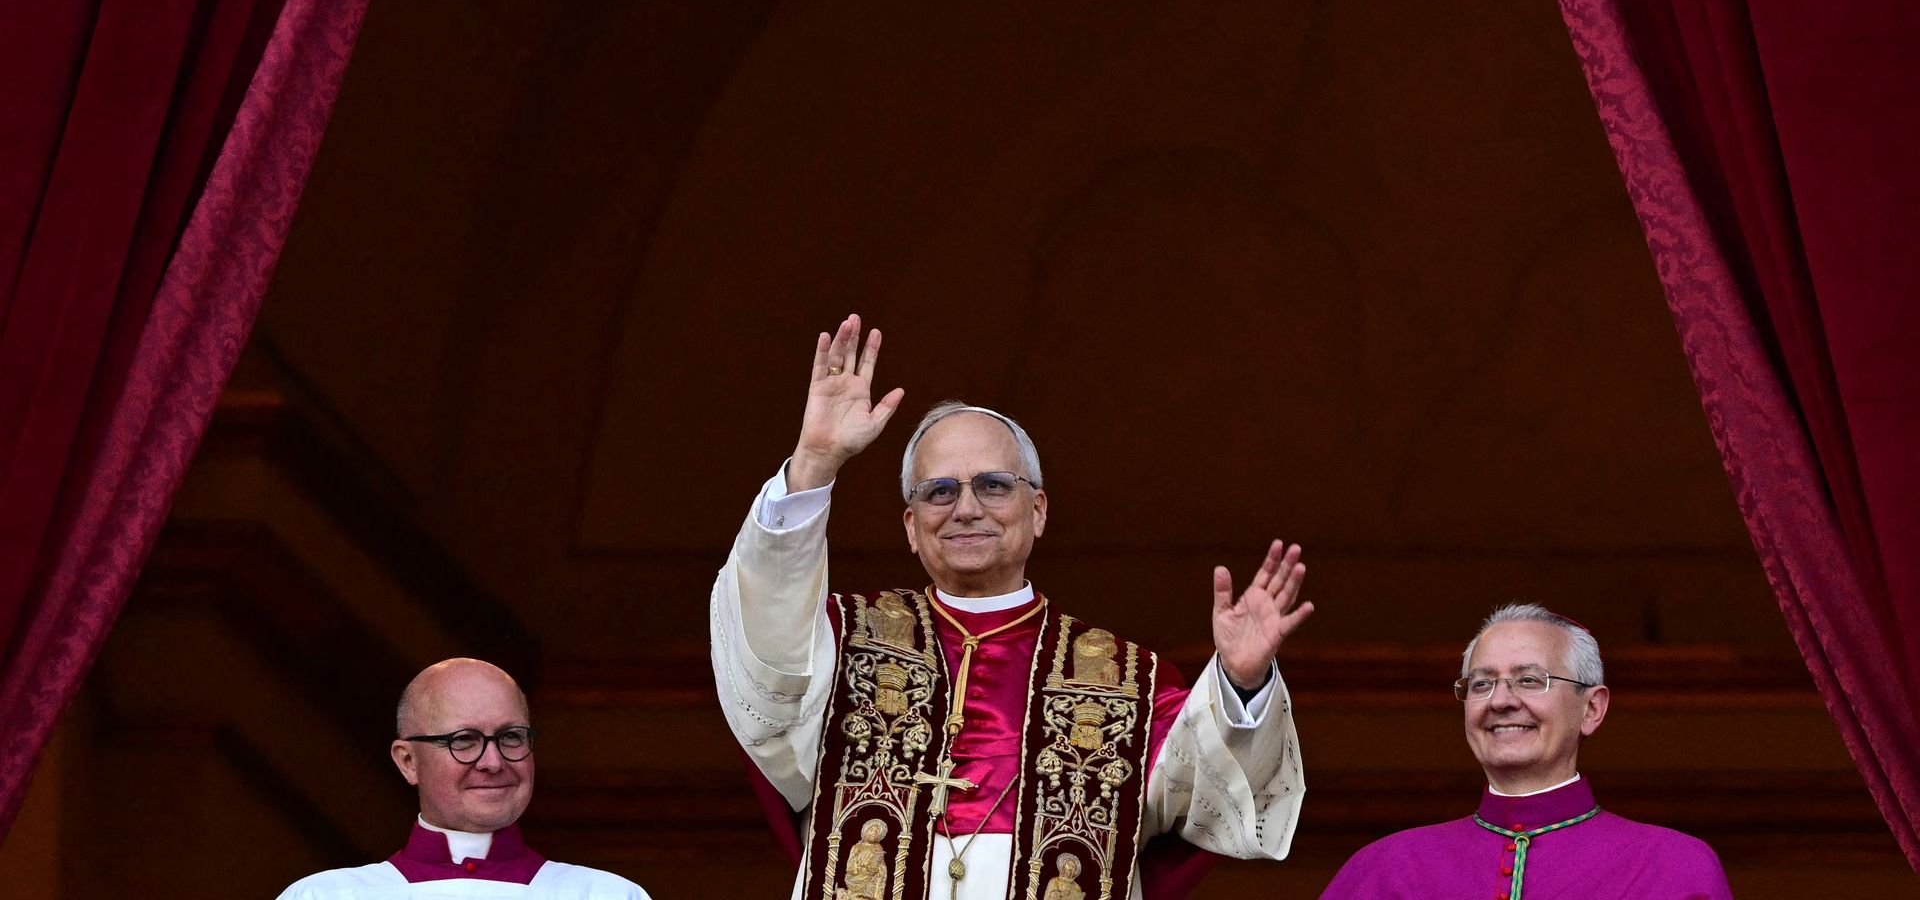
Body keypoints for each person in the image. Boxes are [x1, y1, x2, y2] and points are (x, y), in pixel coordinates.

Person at [711, 314, 1314, 900]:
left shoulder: (1129, 683)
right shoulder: (841, 644)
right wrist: (815, 464)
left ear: (1039, 510)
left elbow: (1216, 796)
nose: (966, 508)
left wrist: (1241, 681)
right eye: (939, 491)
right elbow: (767, 662)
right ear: (911, 527)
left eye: (993, 485)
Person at [1319, 603, 1733, 899]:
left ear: (1591, 708)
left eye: (1530, 681)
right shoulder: (1385, 869)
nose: (1501, 701)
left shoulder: (1674, 868)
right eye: (1481, 684)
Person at [277, 658, 650, 899]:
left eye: (511, 737)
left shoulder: (605, 895)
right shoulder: (325, 896)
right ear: (407, 761)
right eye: (464, 741)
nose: (492, 761)